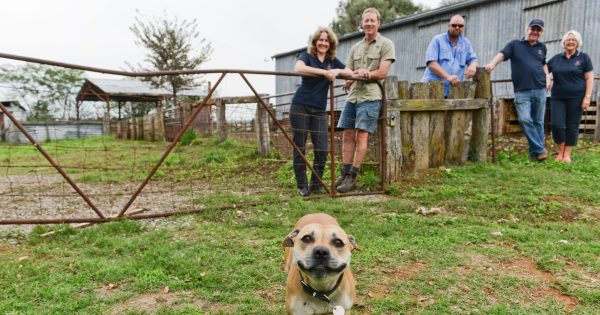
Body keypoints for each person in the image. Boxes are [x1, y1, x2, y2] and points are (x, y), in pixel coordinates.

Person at [336, 7, 395, 193]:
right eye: (366, 20)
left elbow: (383, 72)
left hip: (370, 96)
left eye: (372, 20)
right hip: (353, 96)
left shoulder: (386, 44)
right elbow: (348, 70)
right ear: (361, 24)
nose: (369, 23)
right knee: (347, 133)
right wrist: (350, 78)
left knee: (362, 135)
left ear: (378, 23)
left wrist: (366, 73)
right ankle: (344, 173)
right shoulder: (356, 47)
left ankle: (353, 176)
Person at [291, 27, 353, 197]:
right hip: (300, 105)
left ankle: (316, 185)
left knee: (322, 149)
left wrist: (337, 71)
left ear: (330, 43)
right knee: (300, 147)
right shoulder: (306, 56)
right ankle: (302, 186)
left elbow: (350, 72)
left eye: (326, 40)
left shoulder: (332, 61)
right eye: (320, 40)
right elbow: (298, 69)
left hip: (319, 110)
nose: (323, 43)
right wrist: (325, 73)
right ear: (315, 42)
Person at [485, 19, 551, 162]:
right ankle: (540, 149)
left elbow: (543, 63)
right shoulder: (515, 45)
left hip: (540, 89)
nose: (535, 32)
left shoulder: (542, 47)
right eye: (533, 29)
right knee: (525, 119)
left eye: (538, 30)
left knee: (538, 122)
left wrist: (548, 77)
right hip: (522, 91)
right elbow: (502, 55)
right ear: (527, 29)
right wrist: (492, 64)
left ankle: (537, 156)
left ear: (541, 33)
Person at [547, 30, 594, 163]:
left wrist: (587, 96)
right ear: (564, 42)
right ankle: (560, 151)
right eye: (568, 40)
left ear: (577, 42)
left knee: (572, 125)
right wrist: (547, 78)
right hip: (558, 97)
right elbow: (544, 68)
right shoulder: (556, 58)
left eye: (573, 40)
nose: (571, 42)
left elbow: (589, 78)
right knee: (557, 125)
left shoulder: (584, 58)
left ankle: (567, 154)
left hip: (577, 97)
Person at [421, 14, 478, 97]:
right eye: (454, 25)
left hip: (453, 91)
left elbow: (473, 59)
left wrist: (473, 66)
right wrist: (448, 77)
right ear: (449, 26)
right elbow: (431, 63)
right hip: (432, 89)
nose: (457, 27)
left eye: (460, 26)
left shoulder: (466, 43)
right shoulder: (438, 40)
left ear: (463, 27)